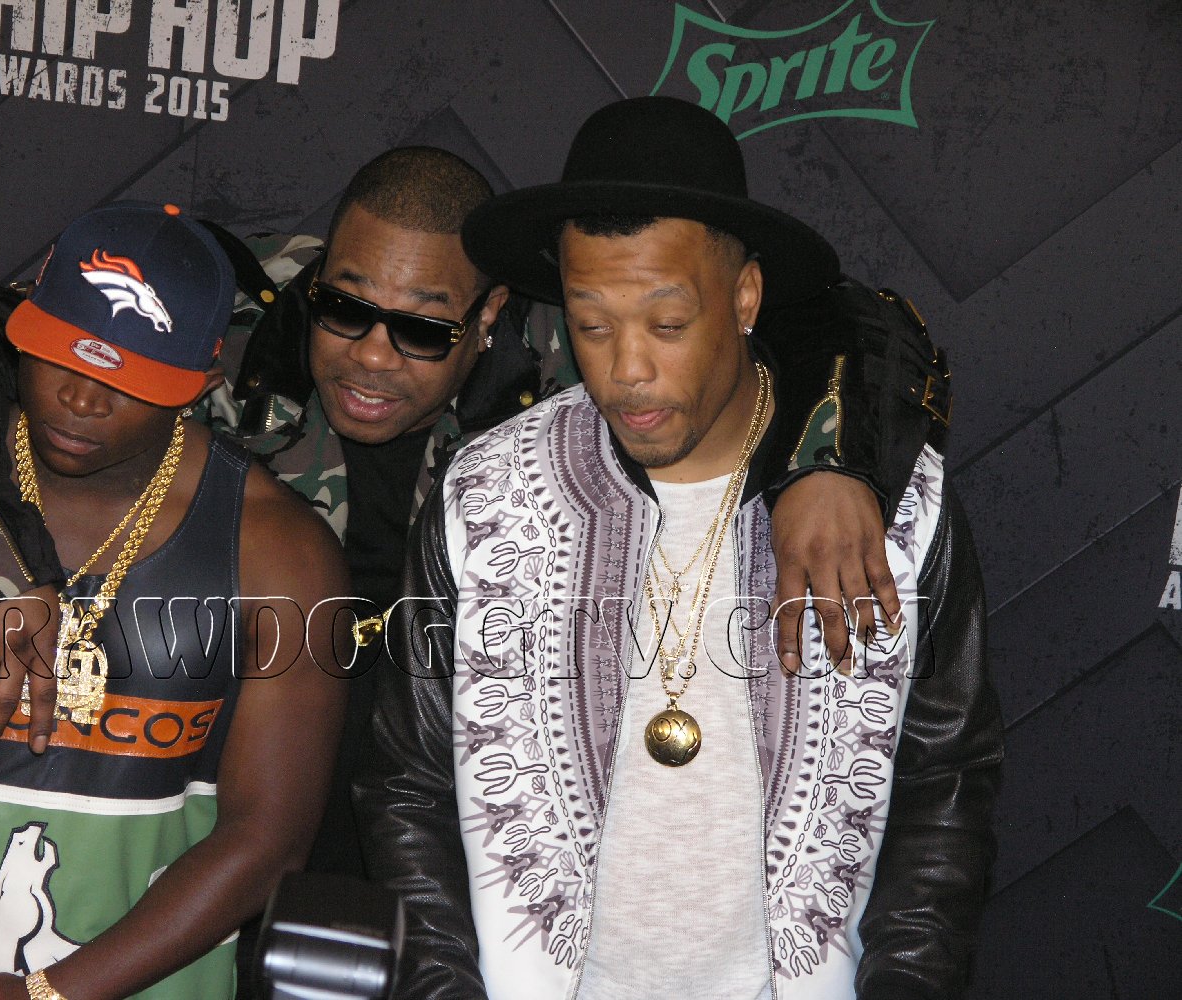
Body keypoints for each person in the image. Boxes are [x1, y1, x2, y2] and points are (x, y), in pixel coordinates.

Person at [0, 147, 951, 885]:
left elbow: (834, 314)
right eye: (346, 310)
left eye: (423, 330)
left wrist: (828, 459)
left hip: (462, 812)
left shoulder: (571, 364)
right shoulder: (227, 323)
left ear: (488, 318)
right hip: (206, 793)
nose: (373, 357)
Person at [354, 97, 1003, 1000]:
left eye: (666, 324)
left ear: (743, 298)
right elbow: (407, 780)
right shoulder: (486, 494)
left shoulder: (894, 511)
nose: (626, 369)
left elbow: (945, 780)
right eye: (591, 325)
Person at [0, 202, 350, 1000]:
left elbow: (268, 840)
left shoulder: (281, 553)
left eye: (127, 380)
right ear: (20, 334)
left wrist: (47, 996)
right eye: (60, 357)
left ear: (200, 385)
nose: (82, 400)